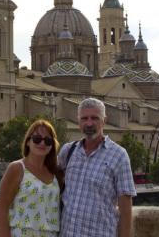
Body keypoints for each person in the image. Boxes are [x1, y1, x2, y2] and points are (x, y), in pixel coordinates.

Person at [58, 98, 136, 237]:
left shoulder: (119, 155)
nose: (89, 123)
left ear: (104, 120)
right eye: (84, 118)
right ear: (78, 121)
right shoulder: (68, 151)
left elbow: (125, 210)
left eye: (94, 118)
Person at [0, 119, 61, 237]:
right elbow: (1, 209)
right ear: (28, 142)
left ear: (52, 145)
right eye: (37, 139)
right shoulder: (17, 168)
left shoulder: (55, 173)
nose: (42, 143)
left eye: (47, 140)